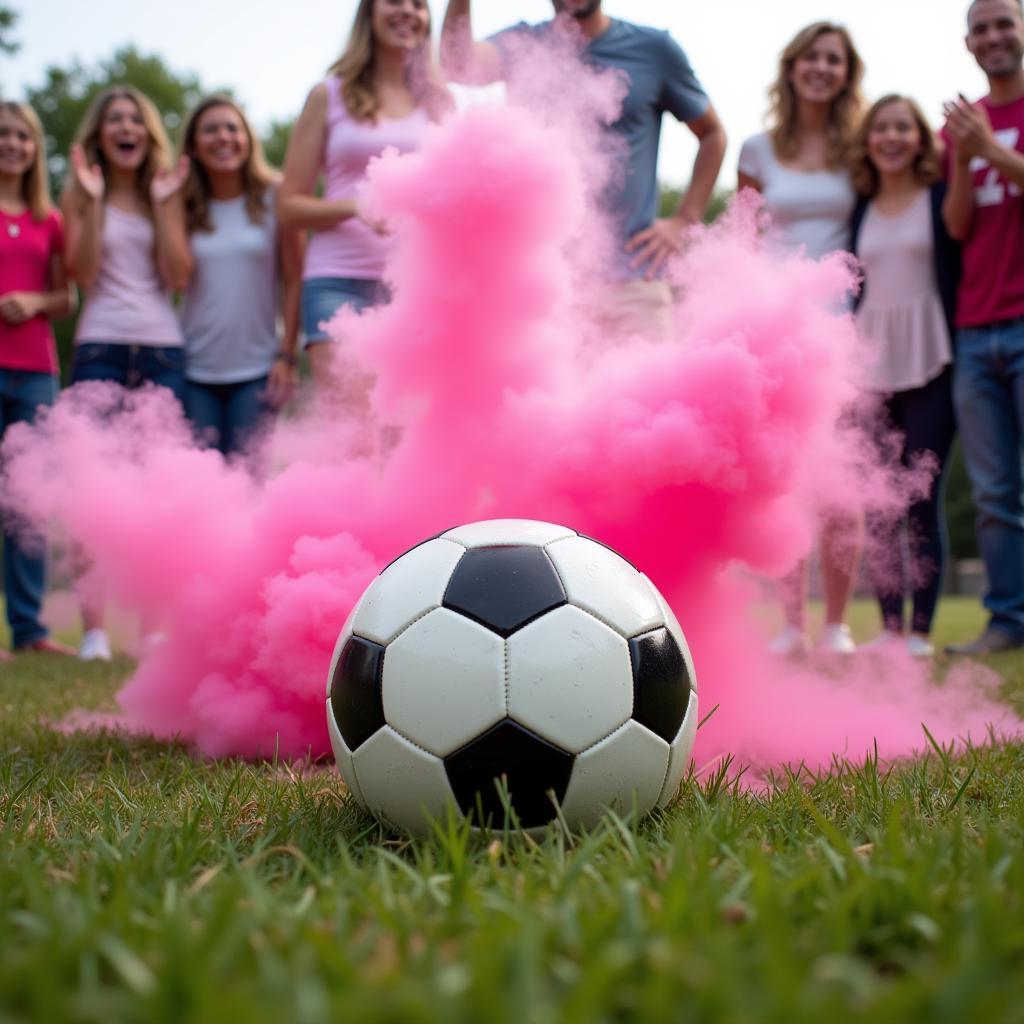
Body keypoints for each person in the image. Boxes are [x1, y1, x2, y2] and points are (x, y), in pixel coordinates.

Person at [440, 0, 727, 343]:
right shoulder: (523, 44)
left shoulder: (654, 50)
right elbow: (456, 65)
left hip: (634, 282)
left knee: (642, 396)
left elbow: (712, 134)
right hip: (542, 284)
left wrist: (685, 219)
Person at [737, 22, 866, 656]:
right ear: (791, 68)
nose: (821, 68)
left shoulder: (860, 149)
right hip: (774, 331)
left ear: (847, 73)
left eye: (833, 59)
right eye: (811, 57)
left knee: (843, 484)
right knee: (785, 482)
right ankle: (792, 626)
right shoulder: (758, 149)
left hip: (844, 329)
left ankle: (837, 627)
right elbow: (740, 241)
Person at [62, 85, 192, 661]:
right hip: (100, 349)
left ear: (147, 135)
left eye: (135, 121)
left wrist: (166, 205)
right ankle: (93, 632)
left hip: (162, 351)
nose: (126, 129)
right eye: (115, 120)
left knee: (158, 496)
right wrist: (90, 202)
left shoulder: (168, 192)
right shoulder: (79, 192)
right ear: (100, 134)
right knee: (90, 494)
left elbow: (180, 275)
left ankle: (155, 629)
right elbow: (82, 271)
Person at [279, 0, 449, 393]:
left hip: (418, 286)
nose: (407, 11)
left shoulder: (439, 102)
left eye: (419, 4)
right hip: (338, 283)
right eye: (394, 1)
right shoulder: (328, 94)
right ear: (368, 14)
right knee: (355, 437)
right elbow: (288, 207)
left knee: (412, 436)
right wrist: (355, 206)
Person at [849, 95, 960, 658]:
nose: (891, 136)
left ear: (920, 138)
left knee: (922, 498)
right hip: (870, 365)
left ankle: (920, 634)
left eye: (903, 127)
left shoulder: (939, 196)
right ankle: (890, 630)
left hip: (932, 359)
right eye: (881, 128)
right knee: (880, 503)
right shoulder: (860, 204)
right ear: (868, 139)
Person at [942, 0, 1024, 655]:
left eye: (1005, 24)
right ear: (969, 43)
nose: (994, 37)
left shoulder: (986, 131)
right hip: (975, 331)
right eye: (982, 29)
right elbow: (958, 226)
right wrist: (968, 157)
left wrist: (989, 149)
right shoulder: (961, 126)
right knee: (995, 491)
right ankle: (1007, 623)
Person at [179, 96, 302, 456]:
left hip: (259, 370)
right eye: (210, 129)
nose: (223, 137)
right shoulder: (181, 205)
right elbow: (173, 277)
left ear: (248, 139)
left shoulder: (276, 196)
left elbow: (294, 278)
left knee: (249, 486)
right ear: (193, 145)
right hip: (194, 372)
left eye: (232, 128)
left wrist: (287, 355)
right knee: (200, 489)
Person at [0, 102, 76, 658]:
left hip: (35, 374)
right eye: (3, 135)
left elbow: (65, 297)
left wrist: (33, 300)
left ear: (34, 147)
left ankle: (28, 630)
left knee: (25, 503)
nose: (12, 144)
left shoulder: (50, 220)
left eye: (22, 136)